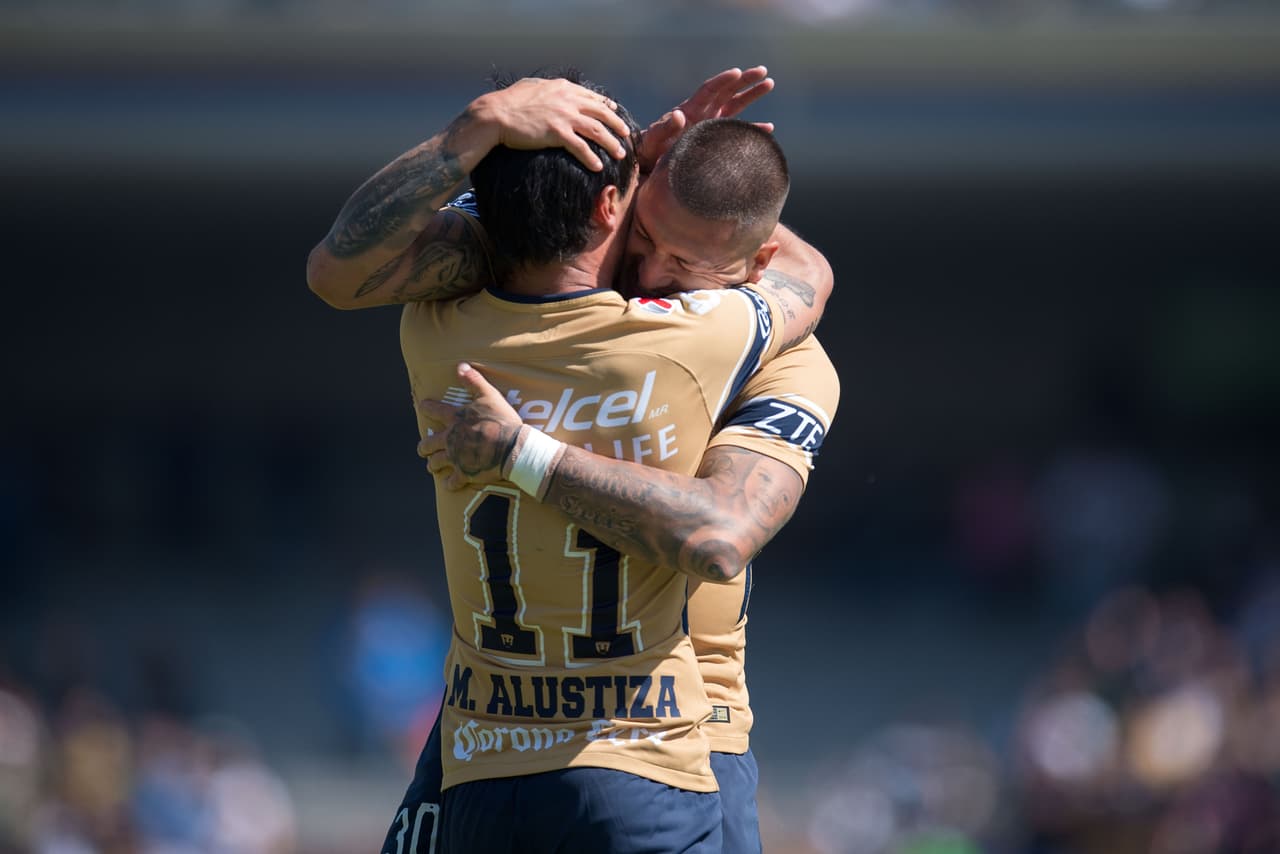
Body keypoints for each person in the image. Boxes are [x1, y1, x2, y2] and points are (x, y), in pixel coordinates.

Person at [309, 68, 828, 854]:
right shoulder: (725, 337)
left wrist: (487, 134)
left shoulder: (437, 326)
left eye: (681, 265)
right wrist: (644, 166)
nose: (653, 274)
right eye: (646, 240)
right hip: (642, 758)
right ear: (615, 207)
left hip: (529, 752)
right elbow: (810, 276)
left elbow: (339, 268)